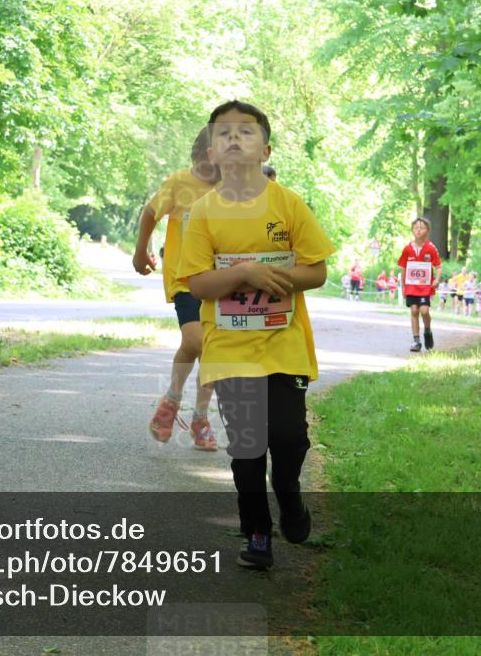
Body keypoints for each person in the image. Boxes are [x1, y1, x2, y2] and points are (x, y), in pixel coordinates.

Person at [178, 100, 335, 570]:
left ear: (265, 150)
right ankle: (257, 533)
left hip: (284, 345)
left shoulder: (288, 204)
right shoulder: (202, 213)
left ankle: (289, 494)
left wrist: (277, 275)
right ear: (210, 152)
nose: (233, 138)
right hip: (229, 348)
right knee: (248, 448)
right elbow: (199, 283)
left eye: (245, 132)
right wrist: (246, 271)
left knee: (289, 438)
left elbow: (318, 270)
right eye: (222, 132)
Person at [133, 128, 219, 451]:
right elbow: (150, 214)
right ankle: (171, 399)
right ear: (204, 156)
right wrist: (141, 251)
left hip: (221, 282)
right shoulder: (179, 184)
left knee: (214, 351)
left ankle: (200, 417)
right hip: (185, 279)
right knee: (197, 341)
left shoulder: (231, 190)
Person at [397, 217, 442, 352]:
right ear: (412, 230)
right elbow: (403, 268)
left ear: (427, 231)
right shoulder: (407, 249)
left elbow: (438, 266)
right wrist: (404, 287)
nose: (418, 230)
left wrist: (437, 280)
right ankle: (416, 341)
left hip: (425, 287)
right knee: (414, 310)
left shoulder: (430, 248)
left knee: (424, 311)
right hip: (411, 286)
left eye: (422, 228)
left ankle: (427, 331)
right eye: (416, 228)